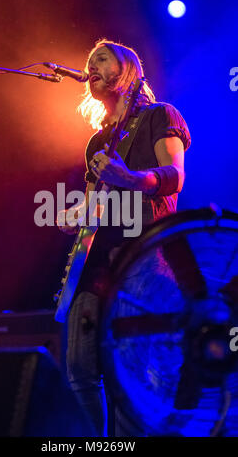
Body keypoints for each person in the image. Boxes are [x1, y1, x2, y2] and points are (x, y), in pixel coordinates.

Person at [56, 39, 191, 436]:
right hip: (96, 262)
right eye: (89, 60)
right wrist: (74, 214)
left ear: (128, 69)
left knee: (132, 366)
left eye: (101, 58)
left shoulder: (159, 116)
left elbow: (175, 177)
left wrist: (131, 179)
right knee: (80, 367)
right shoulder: (97, 143)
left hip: (143, 255)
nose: (91, 65)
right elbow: (93, 206)